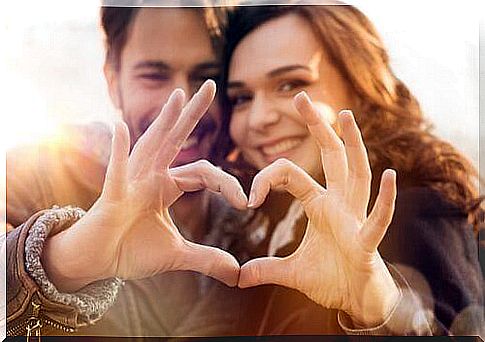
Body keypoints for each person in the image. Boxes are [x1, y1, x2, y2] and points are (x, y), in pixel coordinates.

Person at [207, 4, 484, 335]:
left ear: (360, 85)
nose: (258, 118)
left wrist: (378, 308)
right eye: (242, 98)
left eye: (291, 84)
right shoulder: (270, 218)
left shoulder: (411, 207)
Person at [5, 5, 250, 336]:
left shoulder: (256, 219)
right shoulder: (34, 173)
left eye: (205, 77)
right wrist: (63, 261)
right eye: (154, 75)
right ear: (112, 78)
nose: (181, 100)